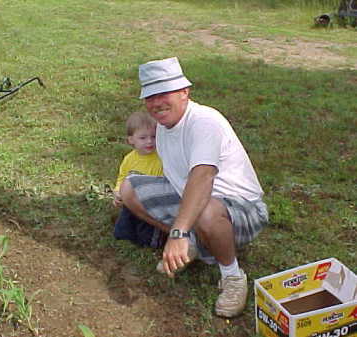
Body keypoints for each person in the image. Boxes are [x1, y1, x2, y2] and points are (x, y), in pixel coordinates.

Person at [119, 57, 269, 318]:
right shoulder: (164, 127)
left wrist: (177, 233)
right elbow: (177, 178)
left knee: (206, 210)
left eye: (164, 93)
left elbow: (202, 177)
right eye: (150, 96)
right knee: (129, 188)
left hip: (243, 210)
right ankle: (195, 244)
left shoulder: (204, 122)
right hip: (198, 200)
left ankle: (232, 277)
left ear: (184, 92)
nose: (156, 103)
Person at [112, 111, 165, 248]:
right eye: (143, 138)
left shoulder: (161, 158)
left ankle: (156, 239)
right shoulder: (129, 159)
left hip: (151, 207)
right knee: (121, 232)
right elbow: (122, 177)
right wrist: (118, 191)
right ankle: (128, 237)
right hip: (130, 203)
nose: (149, 141)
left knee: (147, 238)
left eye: (153, 137)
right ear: (131, 140)